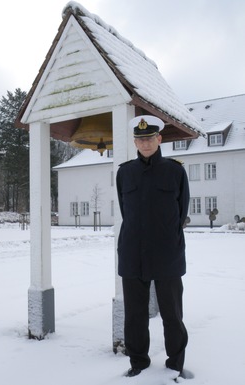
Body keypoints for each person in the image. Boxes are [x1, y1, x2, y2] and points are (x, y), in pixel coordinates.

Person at [116, 115, 189, 380]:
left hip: (167, 253)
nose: (145, 143)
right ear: (135, 141)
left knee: (172, 314)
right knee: (135, 315)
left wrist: (163, 235)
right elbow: (127, 211)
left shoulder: (175, 171)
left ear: (159, 139)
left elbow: (181, 213)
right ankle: (138, 362)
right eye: (140, 139)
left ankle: (176, 363)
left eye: (150, 138)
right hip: (133, 253)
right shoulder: (125, 172)